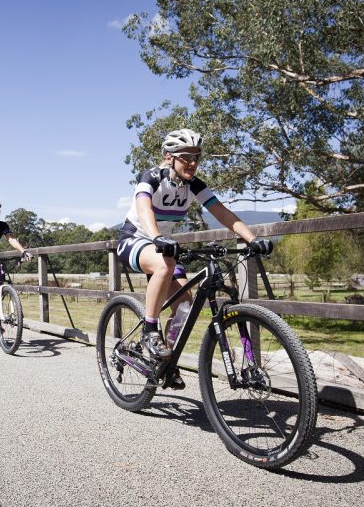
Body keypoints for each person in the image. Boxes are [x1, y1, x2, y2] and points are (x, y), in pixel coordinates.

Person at [115, 128, 272, 380]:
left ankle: (165, 360)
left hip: (162, 245)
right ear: (169, 157)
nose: (193, 162)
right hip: (134, 239)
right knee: (166, 265)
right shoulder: (152, 177)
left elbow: (222, 212)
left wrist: (252, 239)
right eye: (186, 156)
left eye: (197, 157)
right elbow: (144, 207)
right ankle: (149, 330)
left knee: (184, 307)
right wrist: (156, 236)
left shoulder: (193, 185)